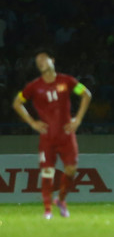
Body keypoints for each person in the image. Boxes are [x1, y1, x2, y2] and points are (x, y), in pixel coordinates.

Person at [11, 49, 93, 219]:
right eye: (37, 61)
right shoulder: (34, 86)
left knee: (71, 169)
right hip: (47, 137)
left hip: (66, 135)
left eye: (42, 59)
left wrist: (77, 119)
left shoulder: (67, 81)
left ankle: (61, 200)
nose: (39, 62)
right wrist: (32, 122)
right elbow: (17, 103)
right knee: (47, 172)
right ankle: (47, 210)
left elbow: (86, 94)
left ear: (52, 61)